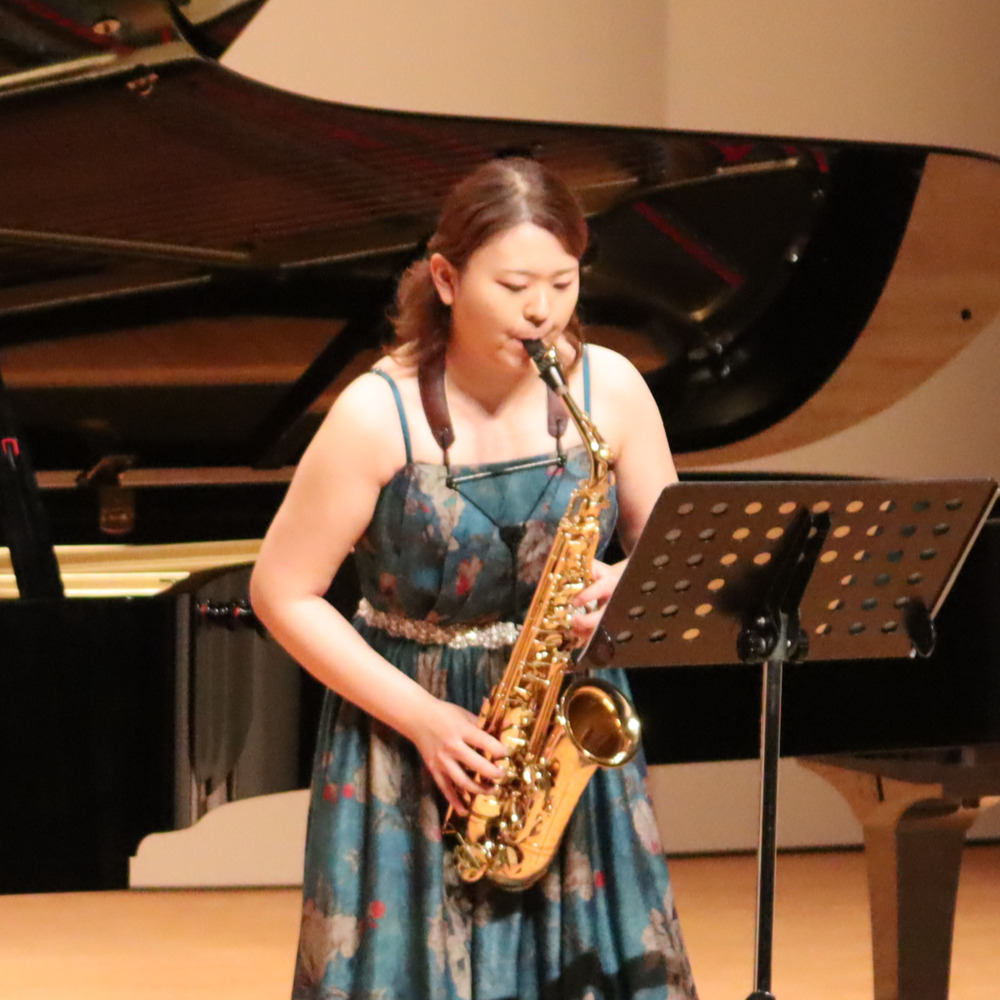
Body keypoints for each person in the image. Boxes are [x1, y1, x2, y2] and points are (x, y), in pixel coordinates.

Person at [250, 157, 698, 1000]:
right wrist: (425, 721)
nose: (542, 311)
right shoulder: (375, 413)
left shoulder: (612, 390)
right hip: (411, 733)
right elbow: (281, 591)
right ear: (447, 279)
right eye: (516, 285)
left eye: (563, 283)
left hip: (559, 723)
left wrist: (624, 586)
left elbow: (668, 555)